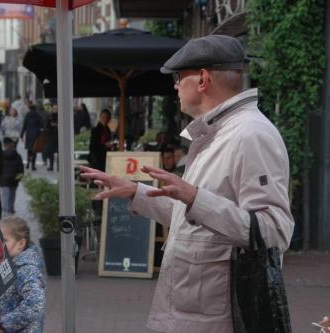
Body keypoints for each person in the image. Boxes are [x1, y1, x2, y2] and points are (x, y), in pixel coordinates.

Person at [80, 34, 294, 333]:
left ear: (203, 79)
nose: (176, 85)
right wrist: (136, 192)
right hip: (193, 311)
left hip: (216, 317)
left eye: (179, 77)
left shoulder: (250, 135)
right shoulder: (217, 133)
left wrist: (195, 197)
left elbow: (274, 231)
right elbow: (194, 219)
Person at [0, 217, 46, 333]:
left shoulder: (26, 269)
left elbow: (35, 304)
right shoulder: (4, 264)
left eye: (5, 240)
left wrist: (5, 324)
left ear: (21, 244)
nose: (0, 245)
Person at [0, 137, 24, 215]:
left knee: (5, 195)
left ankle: (5, 210)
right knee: (12, 195)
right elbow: (21, 168)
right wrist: (19, 178)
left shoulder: (1, 155)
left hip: (4, 179)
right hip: (14, 179)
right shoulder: (17, 155)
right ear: (12, 145)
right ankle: (11, 208)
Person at [20, 104, 43, 171]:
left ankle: (27, 163)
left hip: (29, 134)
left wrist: (22, 134)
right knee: (34, 150)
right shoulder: (38, 115)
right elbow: (41, 125)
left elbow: (24, 125)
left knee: (29, 149)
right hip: (36, 134)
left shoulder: (27, 115)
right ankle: (33, 165)